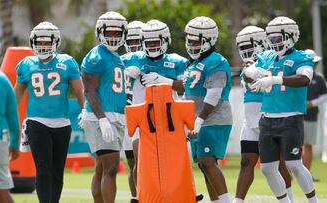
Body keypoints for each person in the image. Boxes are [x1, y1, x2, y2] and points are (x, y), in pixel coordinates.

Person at [246, 16, 318, 203]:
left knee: (294, 164)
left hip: (290, 118)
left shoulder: (301, 57)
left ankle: (313, 201)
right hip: (267, 118)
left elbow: (304, 80)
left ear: (292, 36)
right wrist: (249, 73)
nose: (275, 42)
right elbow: (248, 75)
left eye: (279, 38)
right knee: (267, 169)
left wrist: (276, 80)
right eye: (272, 38)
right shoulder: (266, 56)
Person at [14, 21, 84, 203]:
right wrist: (7, 117)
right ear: (33, 42)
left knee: (57, 170)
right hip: (36, 122)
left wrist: (86, 111)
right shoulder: (26, 64)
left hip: (62, 123)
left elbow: (79, 90)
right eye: (40, 42)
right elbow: (16, 96)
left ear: (56, 42)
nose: (43, 46)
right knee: (43, 167)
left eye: (46, 42)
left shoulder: (67, 62)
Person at [122, 20, 187, 201]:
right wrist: (124, 73)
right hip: (142, 118)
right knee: (140, 162)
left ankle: (174, 195)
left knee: (172, 164)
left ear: (165, 40)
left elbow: (185, 87)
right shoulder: (131, 59)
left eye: (155, 42)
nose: (152, 46)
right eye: (148, 42)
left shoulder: (176, 61)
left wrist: (163, 80)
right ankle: (141, 197)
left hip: (169, 119)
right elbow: (108, 75)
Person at [233, 25, 293, 203]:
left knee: (279, 164)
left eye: (249, 46)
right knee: (246, 162)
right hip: (250, 121)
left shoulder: (272, 61)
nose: (246, 51)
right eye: (242, 47)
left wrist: (256, 71)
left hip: (269, 117)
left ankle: (289, 200)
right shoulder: (249, 65)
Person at [180, 16, 232, 203]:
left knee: (207, 161)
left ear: (209, 40)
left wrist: (198, 121)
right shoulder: (192, 63)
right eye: (189, 40)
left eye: (196, 41)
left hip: (213, 119)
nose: (191, 44)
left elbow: (213, 96)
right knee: (204, 164)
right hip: (200, 120)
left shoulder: (216, 61)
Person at [80, 11, 128, 203]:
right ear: (100, 32)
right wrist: (102, 119)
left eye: (118, 33)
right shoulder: (96, 56)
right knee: (111, 167)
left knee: (102, 166)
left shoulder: (115, 56)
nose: (114, 37)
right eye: (110, 32)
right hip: (102, 118)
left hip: (114, 117)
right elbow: (89, 90)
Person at [122, 20, 145, 202]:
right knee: (134, 165)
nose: (134, 45)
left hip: (146, 116)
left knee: (145, 164)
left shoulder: (152, 58)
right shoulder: (119, 61)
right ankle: (136, 197)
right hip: (125, 117)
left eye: (138, 41)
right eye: (131, 41)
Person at [302, 49, 327, 182]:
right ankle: (291, 174)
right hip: (296, 116)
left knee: (308, 145)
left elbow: (325, 96)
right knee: (294, 145)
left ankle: (306, 175)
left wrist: (312, 103)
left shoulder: (319, 78)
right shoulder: (298, 76)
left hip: (311, 116)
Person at [0, 72, 20, 203]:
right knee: (1, 188)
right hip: (1, 138)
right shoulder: (3, 79)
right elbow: (12, 115)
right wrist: (14, 143)